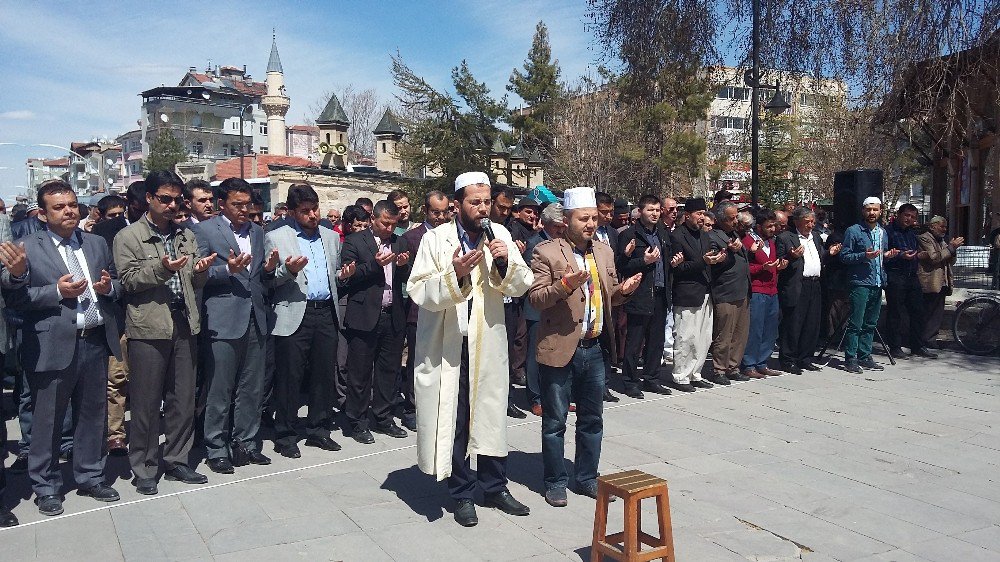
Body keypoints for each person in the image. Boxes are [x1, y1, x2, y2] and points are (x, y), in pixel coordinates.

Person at [407, 171, 533, 528]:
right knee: (458, 417)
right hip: (450, 344)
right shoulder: (437, 240)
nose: (482, 209)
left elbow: (522, 284)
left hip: (488, 341)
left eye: (487, 202)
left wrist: (506, 262)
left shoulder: (501, 235)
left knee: (492, 414)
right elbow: (418, 289)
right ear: (457, 204)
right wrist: (456, 275)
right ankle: (462, 492)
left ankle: (495, 487)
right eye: (474, 202)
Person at [3, 180, 124, 516]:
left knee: (92, 415)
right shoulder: (27, 246)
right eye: (60, 207)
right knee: (48, 421)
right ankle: (46, 485)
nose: (70, 211)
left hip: (94, 342)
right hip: (50, 344)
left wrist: (107, 287)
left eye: (72, 204)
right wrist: (56, 291)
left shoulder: (96, 242)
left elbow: (114, 280)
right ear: (42, 214)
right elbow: (15, 299)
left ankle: (90, 476)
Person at [528, 187, 640, 507]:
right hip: (561, 347)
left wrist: (625, 291)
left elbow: (610, 296)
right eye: (584, 218)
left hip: (595, 347)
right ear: (566, 219)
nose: (591, 224)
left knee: (592, 418)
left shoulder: (604, 252)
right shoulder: (547, 252)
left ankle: (587, 476)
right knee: (555, 421)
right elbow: (536, 299)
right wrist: (565, 285)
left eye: (594, 218)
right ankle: (555, 481)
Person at [114, 170, 215, 495]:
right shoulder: (128, 237)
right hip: (148, 327)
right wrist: (161, 268)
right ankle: (144, 466)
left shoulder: (186, 235)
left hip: (184, 323)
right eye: (165, 199)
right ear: (149, 199)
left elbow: (195, 279)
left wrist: (200, 271)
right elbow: (127, 281)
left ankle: (177, 460)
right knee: (145, 402)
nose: (172, 206)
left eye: (176, 200)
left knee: (182, 398)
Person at [265, 184, 354, 459]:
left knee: (323, 374)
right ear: (292, 212)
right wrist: (287, 271)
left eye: (315, 209)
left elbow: (333, 271)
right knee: (290, 377)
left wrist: (343, 275)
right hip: (293, 313)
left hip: (325, 311)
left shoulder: (329, 236)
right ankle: (286, 434)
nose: (312, 215)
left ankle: (318, 430)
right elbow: (268, 281)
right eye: (305, 211)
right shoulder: (277, 236)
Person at [193, 178, 276, 473]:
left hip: (256, 316)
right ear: (221, 205)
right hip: (222, 319)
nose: (244, 210)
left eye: (248, 205)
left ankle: (247, 442)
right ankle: (216, 446)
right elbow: (197, 273)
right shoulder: (203, 230)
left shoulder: (257, 231)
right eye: (237, 205)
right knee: (220, 388)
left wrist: (270, 269)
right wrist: (227, 269)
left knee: (252, 387)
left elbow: (261, 275)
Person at [342, 200, 410, 444]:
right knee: (360, 373)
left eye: (393, 224)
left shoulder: (400, 242)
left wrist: (402, 267)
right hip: (364, 315)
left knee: (388, 371)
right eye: (385, 223)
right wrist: (374, 265)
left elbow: (407, 276)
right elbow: (348, 277)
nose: (389, 229)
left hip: (392, 314)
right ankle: (357, 421)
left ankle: (383, 417)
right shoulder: (355, 241)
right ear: (373, 219)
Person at [617, 194, 677, 398]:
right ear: (640, 211)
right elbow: (621, 266)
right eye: (650, 210)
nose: (654, 214)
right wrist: (643, 260)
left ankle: (652, 378)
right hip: (640, 294)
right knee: (635, 341)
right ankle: (630, 381)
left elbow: (666, 261)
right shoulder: (629, 235)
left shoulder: (662, 233)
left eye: (658, 210)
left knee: (656, 341)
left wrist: (673, 263)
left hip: (660, 293)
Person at [400, 190, 450, 431]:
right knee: (417, 362)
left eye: (444, 212)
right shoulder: (412, 238)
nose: (440, 217)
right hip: (419, 310)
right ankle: (412, 407)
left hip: (449, 308)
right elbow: (411, 278)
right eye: (435, 212)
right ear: (425, 211)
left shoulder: (454, 235)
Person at [670, 197, 726, 391]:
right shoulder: (677, 236)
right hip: (687, 293)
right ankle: (681, 375)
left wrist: (718, 259)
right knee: (686, 336)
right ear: (687, 216)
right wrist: (704, 262)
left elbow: (707, 259)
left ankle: (695, 373)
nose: (702, 218)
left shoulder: (704, 236)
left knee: (704, 337)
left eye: (704, 213)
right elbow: (678, 268)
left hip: (706, 291)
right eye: (698, 214)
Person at [776, 206, 840, 374]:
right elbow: (780, 262)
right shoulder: (785, 238)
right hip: (798, 285)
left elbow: (818, 258)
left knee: (812, 323)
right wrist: (792, 256)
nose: (811, 225)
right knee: (794, 324)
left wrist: (829, 253)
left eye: (812, 222)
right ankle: (788, 359)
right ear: (797, 222)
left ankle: (805, 358)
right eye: (807, 222)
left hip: (815, 284)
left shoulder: (817, 237)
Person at [839, 197, 899, 373]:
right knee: (856, 322)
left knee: (871, 322)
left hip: (878, 281)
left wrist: (887, 255)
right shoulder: (854, 231)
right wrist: (864, 256)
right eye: (868, 210)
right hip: (860, 282)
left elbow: (881, 255)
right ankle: (851, 357)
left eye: (875, 210)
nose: (872, 213)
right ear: (863, 211)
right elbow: (844, 256)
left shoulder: (883, 232)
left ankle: (865, 355)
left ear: (881, 211)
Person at [522, 203, 567, 415]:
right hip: (537, 307)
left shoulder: (564, 244)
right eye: (558, 226)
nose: (561, 230)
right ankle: (535, 398)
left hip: (559, 306)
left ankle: (557, 396)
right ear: (547, 224)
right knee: (535, 355)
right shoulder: (534, 245)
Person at [707, 201, 752, 384]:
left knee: (740, 333)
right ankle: (719, 369)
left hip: (742, 290)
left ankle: (733, 367)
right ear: (720, 219)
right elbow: (715, 265)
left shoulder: (734, 234)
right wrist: (730, 254)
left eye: (736, 217)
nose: (735, 222)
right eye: (731, 218)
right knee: (724, 333)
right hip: (725, 291)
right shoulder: (713, 237)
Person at [884, 203, 935, 359]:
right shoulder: (888, 232)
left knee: (918, 311)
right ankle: (895, 347)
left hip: (912, 276)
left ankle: (917, 345)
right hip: (895, 275)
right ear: (899, 214)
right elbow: (884, 254)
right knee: (896, 313)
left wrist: (919, 256)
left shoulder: (912, 233)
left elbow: (914, 252)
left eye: (913, 217)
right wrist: (900, 255)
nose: (909, 219)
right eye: (907, 215)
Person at [741, 210, 786, 378]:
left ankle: (762, 362)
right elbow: (745, 268)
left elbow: (772, 264)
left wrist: (778, 267)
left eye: (774, 225)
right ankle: (749, 363)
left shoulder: (771, 243)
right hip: (757, 290)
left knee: (770, 329)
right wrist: (762, 268)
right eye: (769, 226)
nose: (773, 229)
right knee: (755, 329)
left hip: (772, 290)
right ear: (758, 227)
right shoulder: (748, 242)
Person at [917, 216, 962, 349]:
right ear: (932, 226)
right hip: (930, 281)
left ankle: (931, 339)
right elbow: (934, 257)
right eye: (941, 226)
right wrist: (951, 248)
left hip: (942, 282)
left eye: (945, 227)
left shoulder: (941, 241)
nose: (944, 229)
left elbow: (949, 260)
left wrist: (952, 250)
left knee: (937, 314)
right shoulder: (924, 238)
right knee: (927, 312)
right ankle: (923, 339)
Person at [660, 196, 680, 364]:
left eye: (676, 209)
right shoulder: (659, 229)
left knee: (672, 318)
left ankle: (670, 348)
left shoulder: (678, 230)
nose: (674, 212)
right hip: (662, 280)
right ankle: (663, 349)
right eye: (670, 209)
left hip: (677, 280)